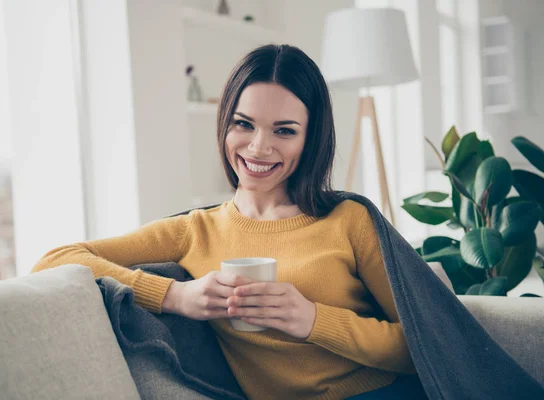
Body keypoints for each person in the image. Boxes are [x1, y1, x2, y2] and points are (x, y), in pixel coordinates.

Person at [32, 44, 427, 399]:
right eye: (244, 124)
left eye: (284, 131)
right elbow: (55, 259)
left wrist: (312, 319)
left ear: (311, 139)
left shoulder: (348, 220)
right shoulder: (194, 231)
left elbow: (423, 346)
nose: (258, 147)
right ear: (225, 124)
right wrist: (177, 297)